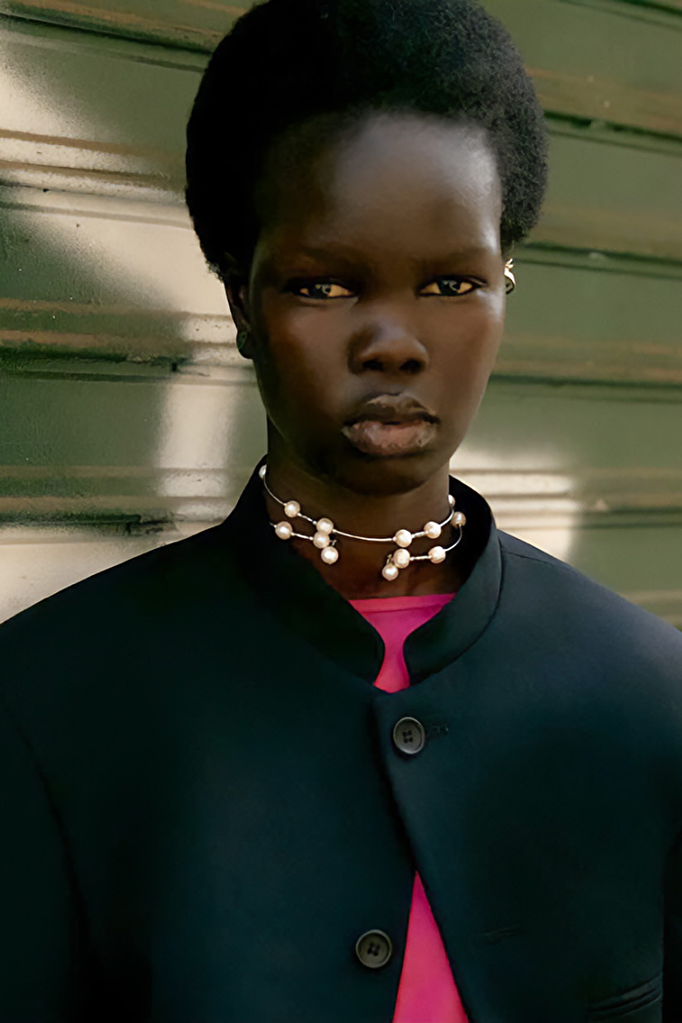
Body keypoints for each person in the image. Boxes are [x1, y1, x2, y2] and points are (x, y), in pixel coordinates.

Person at [0, 0, 681, 1019]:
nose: (393, 343)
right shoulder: (47, 703)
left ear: (506, 288)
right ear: (241, 301)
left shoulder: (651, 696)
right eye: (324, 286)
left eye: (450, 282)